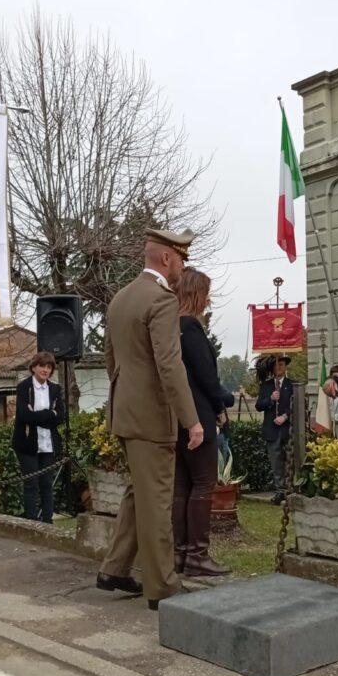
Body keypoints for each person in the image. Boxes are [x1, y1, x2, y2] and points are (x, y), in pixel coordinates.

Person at [97, 228, 204, 611]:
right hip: (151, 419)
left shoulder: (121, 299)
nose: (182, 267)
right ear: (166, 259)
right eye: (180, 260)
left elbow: (112, 361)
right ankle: (162, 587)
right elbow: (170, 365)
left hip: (125, 414)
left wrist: (123, 401)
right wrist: (191, 420)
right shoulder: (161, 301)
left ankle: (113, 568)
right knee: (157, 500)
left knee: (136, 493)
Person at [172, 267, 234, 578]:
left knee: (182, 486)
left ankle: (181, 553)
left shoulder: (170, 328)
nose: (209, 299)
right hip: (198, 417)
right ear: (197, 294)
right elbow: (207, 378)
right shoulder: (191, 330)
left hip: (178, 418)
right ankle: (197, 554)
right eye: (206, 293)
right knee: (202, 486)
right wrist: (221, 405)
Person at [12, 351, 66, 525]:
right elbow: (24, 415)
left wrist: (40, 415)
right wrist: (49, 413)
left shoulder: (55, 389)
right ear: (34, 367)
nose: (45, 370)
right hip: (28, 444)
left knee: (46, 485)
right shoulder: (24, 387)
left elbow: (60, 417)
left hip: (48, 444)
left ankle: (48, 521)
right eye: (42, 366)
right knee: (31, 485)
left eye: (49, 367)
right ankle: (31, 522)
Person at [256, 355, 293, 504]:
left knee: (290, 459)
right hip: (272, 430)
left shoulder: (292, 385)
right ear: (273, 368)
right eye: (277, 365)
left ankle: (291, 489)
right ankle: (280, 491)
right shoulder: (266, 385)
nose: (280, 368)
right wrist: (270, 399)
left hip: (288, 429)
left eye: (282, 365)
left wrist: (285, 416)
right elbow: (259, 406)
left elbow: (297, 404)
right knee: (276, 461)